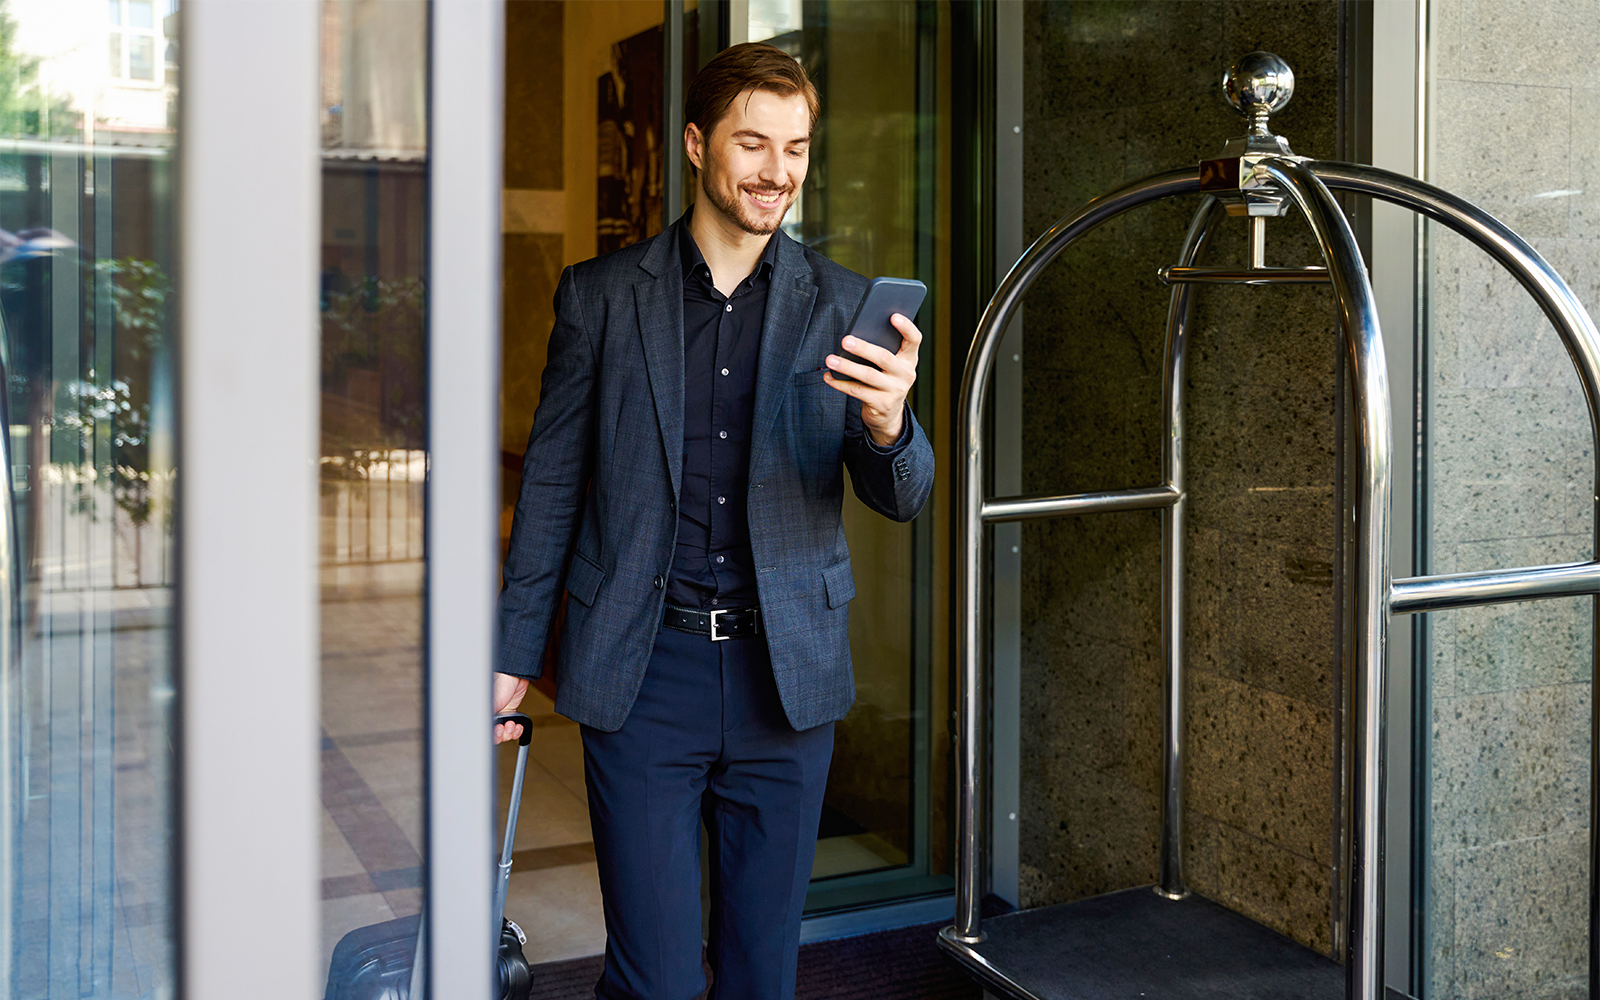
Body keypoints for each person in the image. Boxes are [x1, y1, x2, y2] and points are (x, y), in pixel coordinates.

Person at [493, 41, 934, 1000]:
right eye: (753, 143)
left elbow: (902, 495)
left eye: (797, 147)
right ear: (697, 145)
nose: (778, 171)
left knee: (761, 973)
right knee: (652, 978)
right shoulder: (602, 298)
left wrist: (889, 424)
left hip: (788, 675)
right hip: (644, 670)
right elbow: (554, 486)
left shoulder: (844, 303)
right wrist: (512, 653)